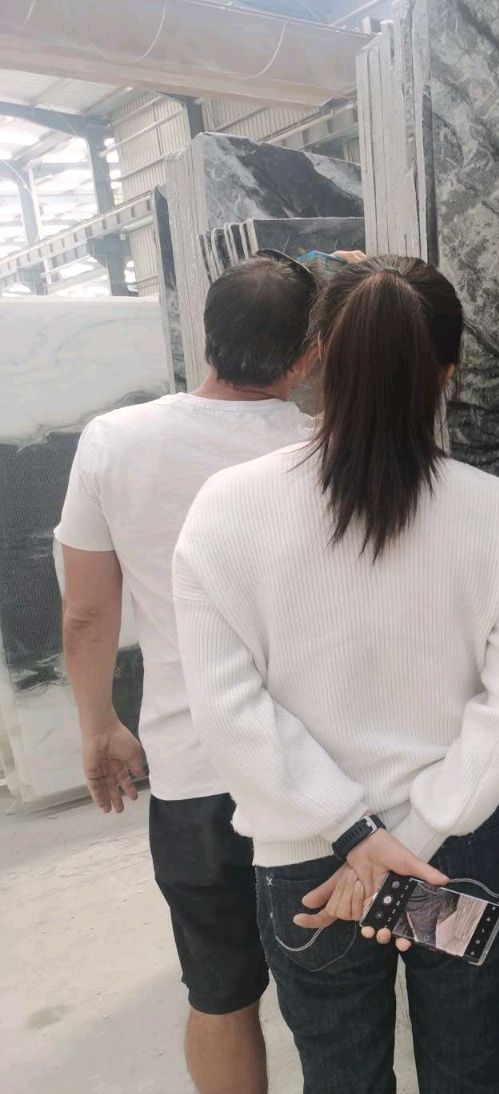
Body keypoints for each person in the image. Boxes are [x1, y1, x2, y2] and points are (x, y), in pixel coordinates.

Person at [171, 255, 499, 1094]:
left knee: (341, 1077)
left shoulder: (226, 509)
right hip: (451, 858)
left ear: (316, 359)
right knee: (466, 1075)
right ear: (447, 373)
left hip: (313, 869)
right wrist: (407, 843)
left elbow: (229, 710)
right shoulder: (493, 511)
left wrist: (355, 842)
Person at [55, 252, 330, 1094]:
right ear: (307, 354)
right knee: (334, 995)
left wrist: (99, 725)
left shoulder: (116, 440)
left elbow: (87, 613)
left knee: (219, 995)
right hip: (321, 773)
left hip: (194, 767)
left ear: (206, 336)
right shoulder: (329, 447)